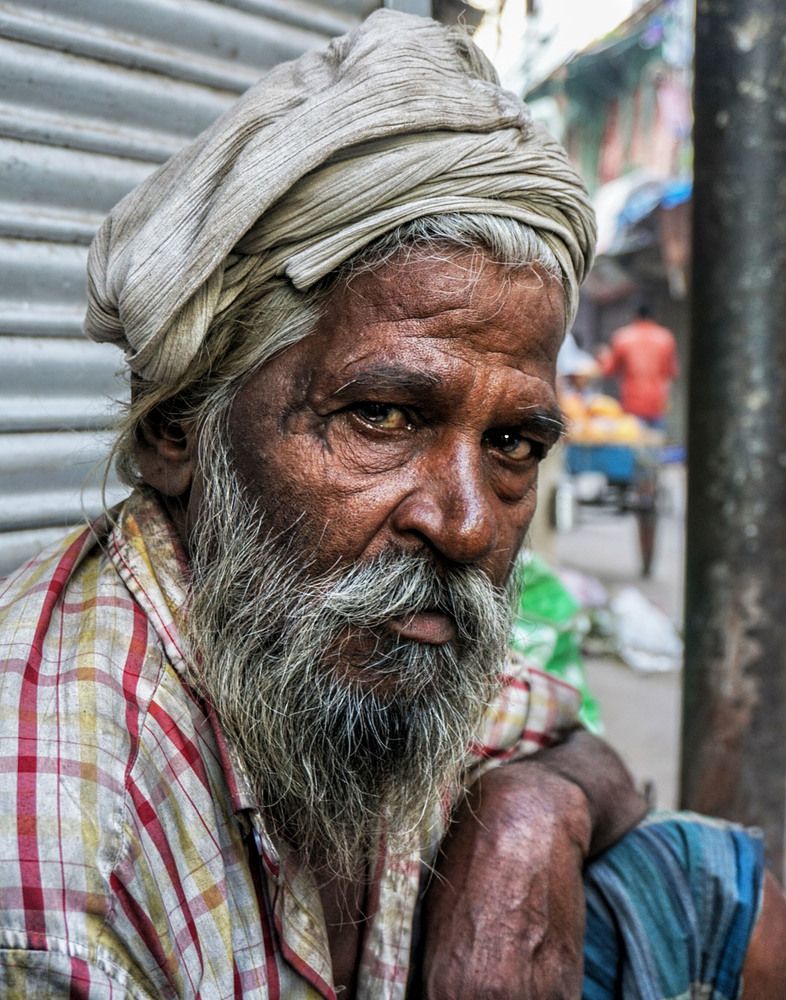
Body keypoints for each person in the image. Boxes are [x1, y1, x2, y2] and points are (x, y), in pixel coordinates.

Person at [0, 11, 783, 998]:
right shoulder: (59, 879)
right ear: (179, 429)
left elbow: (565, 737)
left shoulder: (360, 630)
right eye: (380, 415)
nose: (464, 522)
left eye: (511, 444)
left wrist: (528, 820)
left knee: (706, 882)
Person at [599, 304, 679, 428]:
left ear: (636, 317)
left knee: (634, 444)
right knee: (656, 444)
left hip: (632, 404)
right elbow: (672, 372)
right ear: (654, 317)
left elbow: (608, 370)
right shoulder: (666, 338)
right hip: (657, 403)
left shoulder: (623, 337)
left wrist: (603, 356)